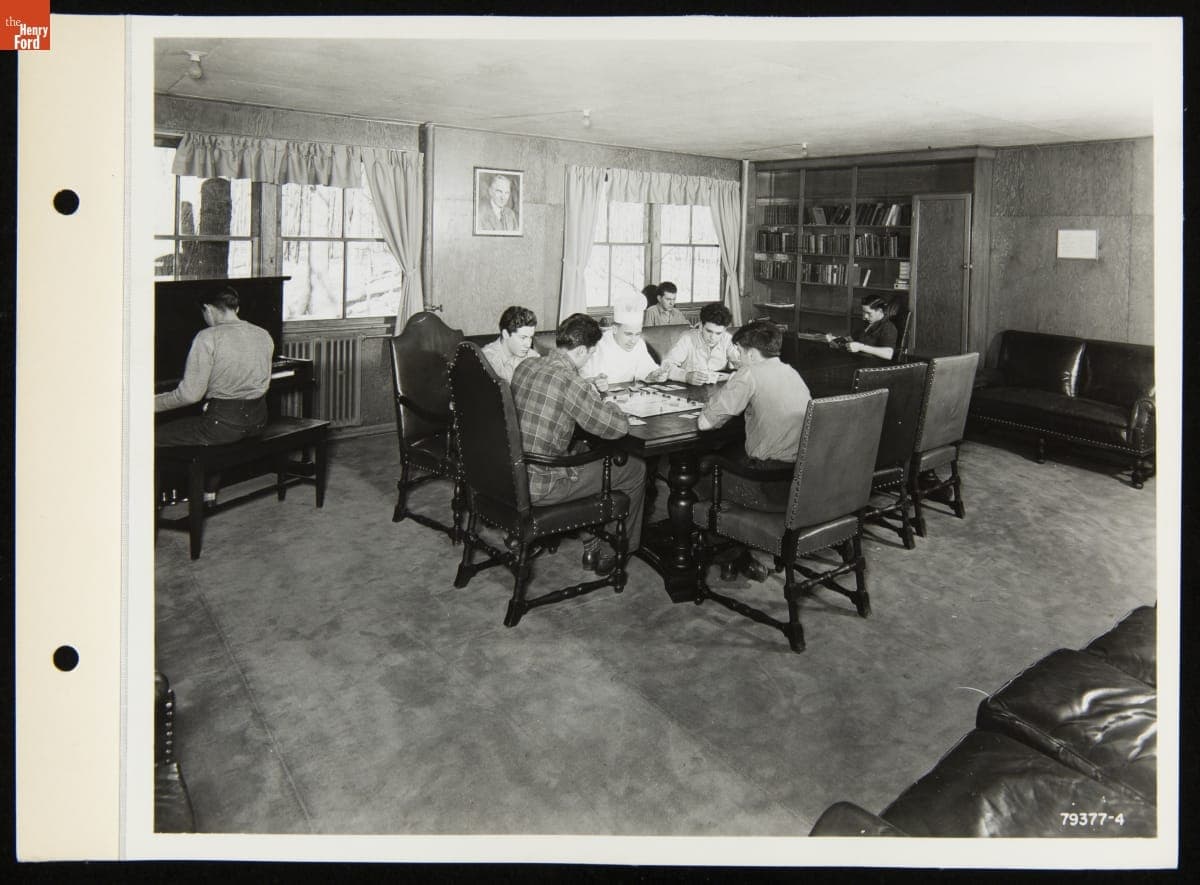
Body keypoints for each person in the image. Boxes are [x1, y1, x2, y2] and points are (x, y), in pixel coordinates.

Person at [511, 313, 647, 576]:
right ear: (582, 350)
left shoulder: (525, 366)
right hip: (542, 485)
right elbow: (615, 428)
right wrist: (610, 404)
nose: (590, 359)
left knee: (586, 450)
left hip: (512, 474)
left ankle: (591, 537)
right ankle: (614, 551)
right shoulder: (570, 381)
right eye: (591, 354)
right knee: (635, 468)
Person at [696, 319, 812, 580]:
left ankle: (731, 557)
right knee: (732, 455)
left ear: (749, 352)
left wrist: (726, 389)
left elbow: (704, 423)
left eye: (736, 349)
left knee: (698, 477)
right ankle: (736, 552)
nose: (734, 355)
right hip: (801, 483)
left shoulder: (748, 374)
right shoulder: (790, 371)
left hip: (770, 487)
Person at [155, 285, 275, 503]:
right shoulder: (263, 334)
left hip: (223, 427)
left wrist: (149, 404)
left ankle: (150, 507)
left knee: (150, 437)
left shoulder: (208, 337)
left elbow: (190, 395)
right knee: (211, 424)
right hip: (258, 421)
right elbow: (262, 383)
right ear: (236, 307)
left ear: (208, 309)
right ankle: (208, 493)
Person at [581, 289, 669, 386]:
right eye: (628, 334)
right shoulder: (597, 345)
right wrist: (594, 381)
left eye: (637, 334)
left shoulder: (639, 344)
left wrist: (655, 375)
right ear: (614, 329)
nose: (633, 341)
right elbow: (582, 379)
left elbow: (646, 369)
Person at [660, 302, 740, 385]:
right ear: (701, 326)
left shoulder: (727, 338)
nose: (713, 337)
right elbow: (666, 365)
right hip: (690, 388)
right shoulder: (687, 338)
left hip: (718, 389)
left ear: (724, 330)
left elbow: (742, 363)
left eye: (718, 333)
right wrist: (685, 376)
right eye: (709, 331)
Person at [826, 296, 898, 360]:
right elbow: (852, 338)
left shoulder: (888, 327)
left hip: (872, 366)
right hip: (857, 360)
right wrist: (837, 341)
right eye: (863, 312)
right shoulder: (868, 323)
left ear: (879, 311)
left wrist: (861, 347)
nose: (865, 317)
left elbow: (888, 354)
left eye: (868, 313)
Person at [481, 305, 540, 383]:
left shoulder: (532, 355)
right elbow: (503, 390)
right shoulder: (486, 359)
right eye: (523, 337)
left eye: (530, 337)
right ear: (506, 334)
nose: (528, 344)